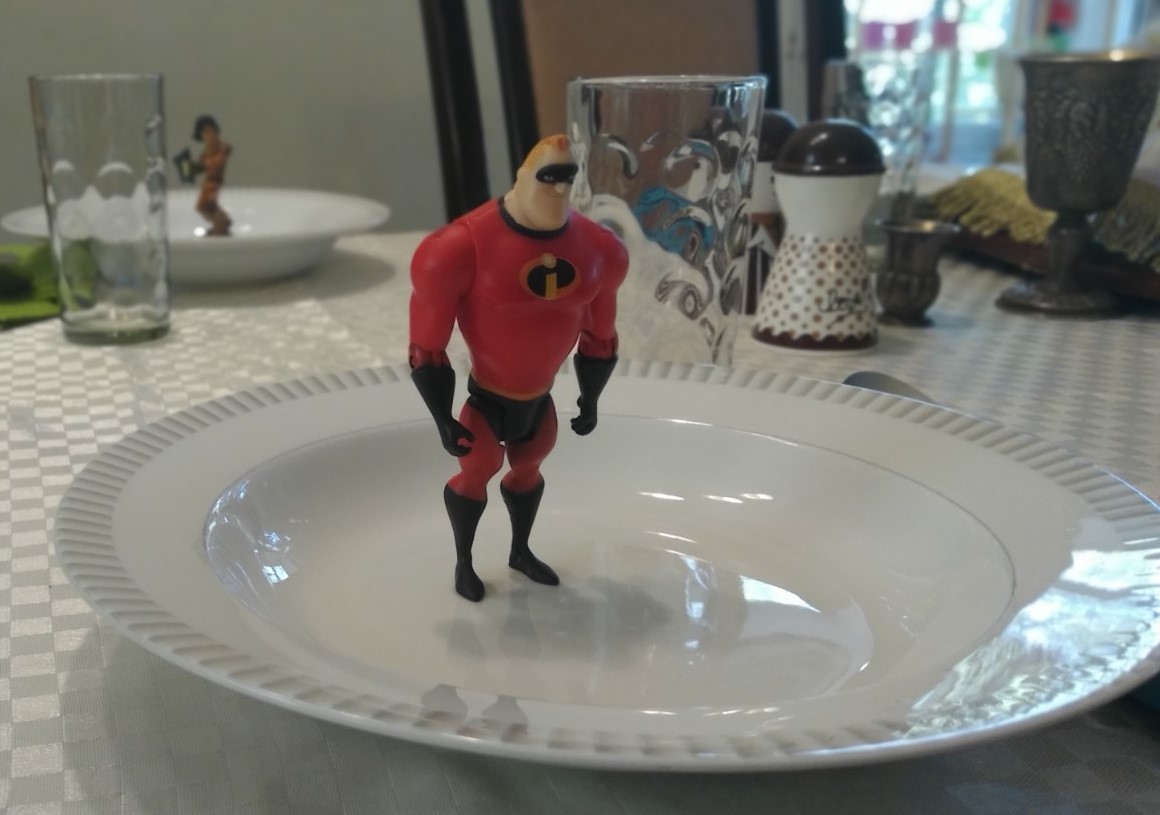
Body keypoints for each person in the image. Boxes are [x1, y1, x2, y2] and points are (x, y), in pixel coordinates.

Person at [409, 133, 628, 602]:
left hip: (538, 400)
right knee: (476, 473)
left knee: (528, 471)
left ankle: (520, 551)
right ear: (525, 177)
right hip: (487, 398)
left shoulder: (599, 249)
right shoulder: (460, 247)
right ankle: (464, 562)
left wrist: (590, 398)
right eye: (550, 176)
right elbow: (428, 347)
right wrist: (443, 417)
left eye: (567, 177)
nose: (560, 187)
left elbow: (599, 335)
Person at [189, 115, 233, 236]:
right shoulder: (208, 150)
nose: (207, 135)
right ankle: (222, 221)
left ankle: (221, 225)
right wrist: (190, 168)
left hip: (214, 181)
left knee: (208, 205)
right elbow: (200, 165)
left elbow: (217, 163)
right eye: (204, 133)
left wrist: (203, 164)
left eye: (209, 131)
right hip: (208, 181)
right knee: (202, 206)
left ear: (215, 130)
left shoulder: (223, 148)